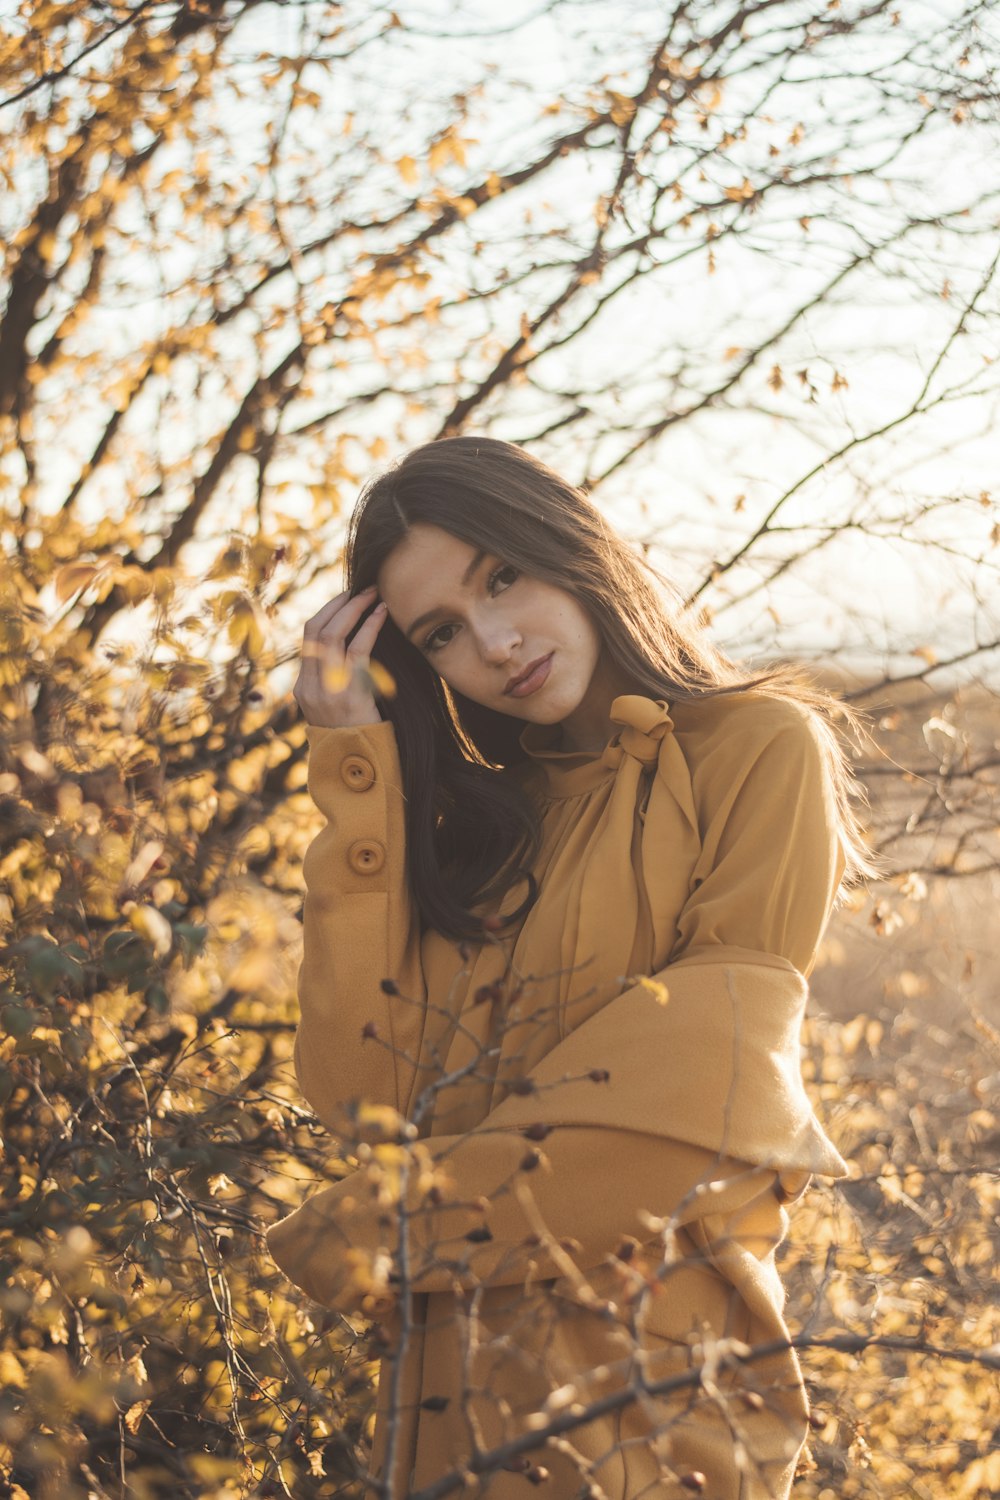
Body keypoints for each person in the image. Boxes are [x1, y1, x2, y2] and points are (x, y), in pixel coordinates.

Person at [265, 435, 872, 1499]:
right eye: (443, 634)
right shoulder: (475, 839)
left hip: (655, 1406)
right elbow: (368, 1093)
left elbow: (688, 1102)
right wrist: (357, 776)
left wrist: (369, 1238)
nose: (496, 643)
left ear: (572, 546)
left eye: (503, 575)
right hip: (448, 1411)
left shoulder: (756, 750)